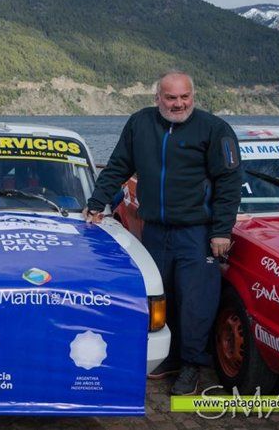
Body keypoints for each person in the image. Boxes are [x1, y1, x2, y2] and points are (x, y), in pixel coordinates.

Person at [83, 70, 242, 395]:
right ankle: (167, 357)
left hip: (196, 233)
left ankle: (192, 366)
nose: (178, 103)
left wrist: (221, 230)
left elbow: (229, 182)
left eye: (185, 97)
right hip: (154, 229)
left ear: (193, 97)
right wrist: (97, 202)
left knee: (195, 302)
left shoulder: (215, 130)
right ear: (158, 98)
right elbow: (117, 166)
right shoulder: (140, 124)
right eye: (171, 97)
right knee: (161, 295)